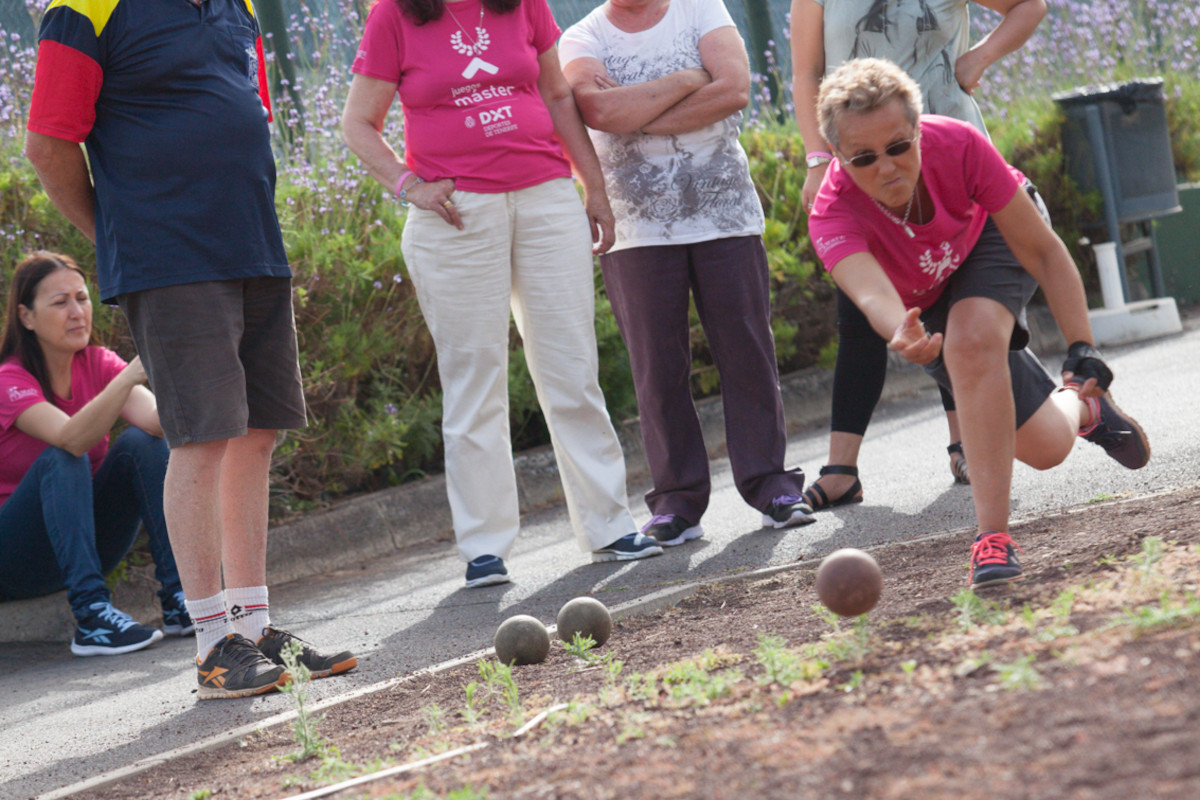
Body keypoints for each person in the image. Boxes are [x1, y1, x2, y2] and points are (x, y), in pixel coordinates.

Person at [26, 0, 355, 698]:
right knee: (201, 438)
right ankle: (211, 646)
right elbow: (48, 144)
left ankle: (254, 626)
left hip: (253, 246)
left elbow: (249, 115)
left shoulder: (235, 6)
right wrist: (123, 241)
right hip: (169, 258)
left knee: (256, 434)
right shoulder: (82, 7)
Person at [341, 0, 664, 588]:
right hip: (457, 215)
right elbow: (357, 121)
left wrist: (592, 185)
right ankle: (484, 548)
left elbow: (559, 96)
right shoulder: (394, 14)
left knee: (571, 367)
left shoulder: (523, 4)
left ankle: (610, 525)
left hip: (545, 197)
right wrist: (406, 183)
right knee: (474, 381)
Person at [808, 57, 1149, 586]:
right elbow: (871, 294)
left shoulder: (959, 145)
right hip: (929, 290)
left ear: (918, 132)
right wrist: (901, 330)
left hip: (992, 235)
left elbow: (1043, 252)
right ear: (837, 157)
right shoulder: (832, 213)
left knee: (968, 341)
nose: (887, 167)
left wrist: (1082, 344)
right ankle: (1084, 410)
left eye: (899, 146)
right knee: (1045, 447)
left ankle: (992, 539)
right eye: (864, 158)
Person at [557, 0, 816, 546]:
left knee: (748, 352)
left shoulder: (701, 9)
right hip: (636, 227)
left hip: (724, 212)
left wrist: (638, 113)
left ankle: (771, 485)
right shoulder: (581, 39)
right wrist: (687, 78)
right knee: (657, 368)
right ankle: (677, 502)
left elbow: (735, 90)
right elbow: (599, 114)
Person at [790, 0, 1047, 508]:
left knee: (955, 300)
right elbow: (807, 72)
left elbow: (1028, 7)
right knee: (865, 311)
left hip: (945, 150)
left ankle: (964, 441)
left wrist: (978, 58)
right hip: (862, 163)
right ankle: (843, 465)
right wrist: (818, 157)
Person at [0, 252, 187, 656]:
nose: (77, 312)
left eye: (82, 299)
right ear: (26, 317)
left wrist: (193, 361)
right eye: (60, 302)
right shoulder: (9, 380)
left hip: (84, 543)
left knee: (142, 443)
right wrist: (132, 374)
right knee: (64, 456)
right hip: (13, 558)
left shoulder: (98, 363)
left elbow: (157, 422)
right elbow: (69, 439)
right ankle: (92, 618)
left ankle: (180, 600)